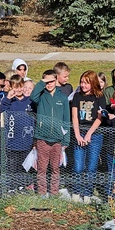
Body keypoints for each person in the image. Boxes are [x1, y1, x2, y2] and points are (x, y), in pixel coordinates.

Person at [31, 70, 71, 198]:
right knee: (42, 168)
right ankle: (42, 193)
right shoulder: (41, 96)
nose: (49, 84)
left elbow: (66, 120)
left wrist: (65, 140)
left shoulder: (63, 98)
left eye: (51, 81)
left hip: (57, 140)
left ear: (56, 80)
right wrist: (42, 82)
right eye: (46, 82)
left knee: (55, 168)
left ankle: (54, 193)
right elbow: (32, 96)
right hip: (42, 138)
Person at [70, 70, 106, 202]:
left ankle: (87, 193)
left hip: (95, 134)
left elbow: (100, 117)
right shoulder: (77, 96)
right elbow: (74, 116)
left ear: (93, 83)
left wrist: (89, 133)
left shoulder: (99, 96)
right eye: (81, 82)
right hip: (80, 132)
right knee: (78, 165)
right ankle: (76, 192)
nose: (83, 85)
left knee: (91, 166)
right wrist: (78, 135)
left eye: (86, 83)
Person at [0, 75, 35, 192]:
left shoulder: (29, 101)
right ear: (10, 87)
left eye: (21, 87)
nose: (19, 90)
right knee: (12, 167)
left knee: (23, 166)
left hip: (26, 142)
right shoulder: (9, 101)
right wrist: (8, 99)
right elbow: (2, 113)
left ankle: (21, 186)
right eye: (15, 87)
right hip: (12, 141)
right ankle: (11, 188)